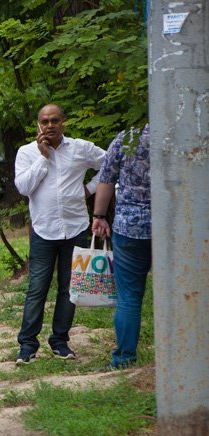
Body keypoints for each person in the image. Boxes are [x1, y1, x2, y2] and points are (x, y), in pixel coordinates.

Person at [14, 104, 106, 365]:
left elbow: (110, 164)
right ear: (38, 125)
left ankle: (60, 341)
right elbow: (23, 187)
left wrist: (89, 189)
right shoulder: (27, 152)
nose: (50, 125)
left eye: (55, 120)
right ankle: (27, 345)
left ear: (63, 122)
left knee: (69, 289)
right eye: (45, 121)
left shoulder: (80, 148)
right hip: (44, 230)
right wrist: (43, 158)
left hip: (75, 228)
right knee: (37, 289)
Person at [92, 124, 151, 371]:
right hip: (177, 227)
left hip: (130, 229)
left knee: (128, 298)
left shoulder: (127, 138)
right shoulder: (186, 133)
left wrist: (99, 215)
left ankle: (125, 359)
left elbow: (105, 180)